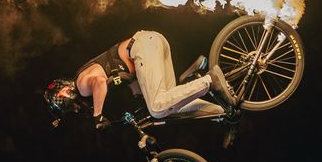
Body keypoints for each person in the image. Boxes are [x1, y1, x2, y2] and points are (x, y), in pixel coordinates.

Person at [45, 30, 237, 129]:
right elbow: (130, 80)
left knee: (158, 107)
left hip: (142, 47)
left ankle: (209, 80)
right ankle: (223, 113)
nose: (76, 110)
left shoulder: (82, 86)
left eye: (70, 108)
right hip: (151, 42)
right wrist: (139, 101)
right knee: (168, 105)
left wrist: (98, 116)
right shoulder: (88, 77)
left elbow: (100, 83)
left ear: (67, 96)